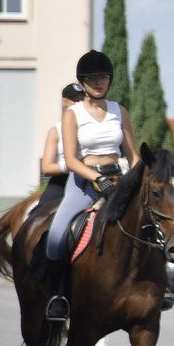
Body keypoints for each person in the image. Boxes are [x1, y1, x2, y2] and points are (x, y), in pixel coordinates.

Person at [42, 50, 139, 322]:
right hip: (85, 182)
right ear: (83, 82)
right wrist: (97, 178)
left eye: (103, 78)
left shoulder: (120, 111)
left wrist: (140, 178)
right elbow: (71, 159)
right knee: (57, 236)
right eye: (93, 78)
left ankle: (158, 285)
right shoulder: (73, 113)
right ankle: (58, 295)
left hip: (118, 178)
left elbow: (133, 155)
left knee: (149, 222)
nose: (99, 83)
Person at [39, 83, 87, 206]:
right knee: (40, 214)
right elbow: (46, 167)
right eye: (75, 100)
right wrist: (69, 166)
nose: (78, 104)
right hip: (62, 180)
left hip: (89, 177)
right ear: (64, 101)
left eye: (81, 100)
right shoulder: (55, 131)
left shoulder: (90, 128)